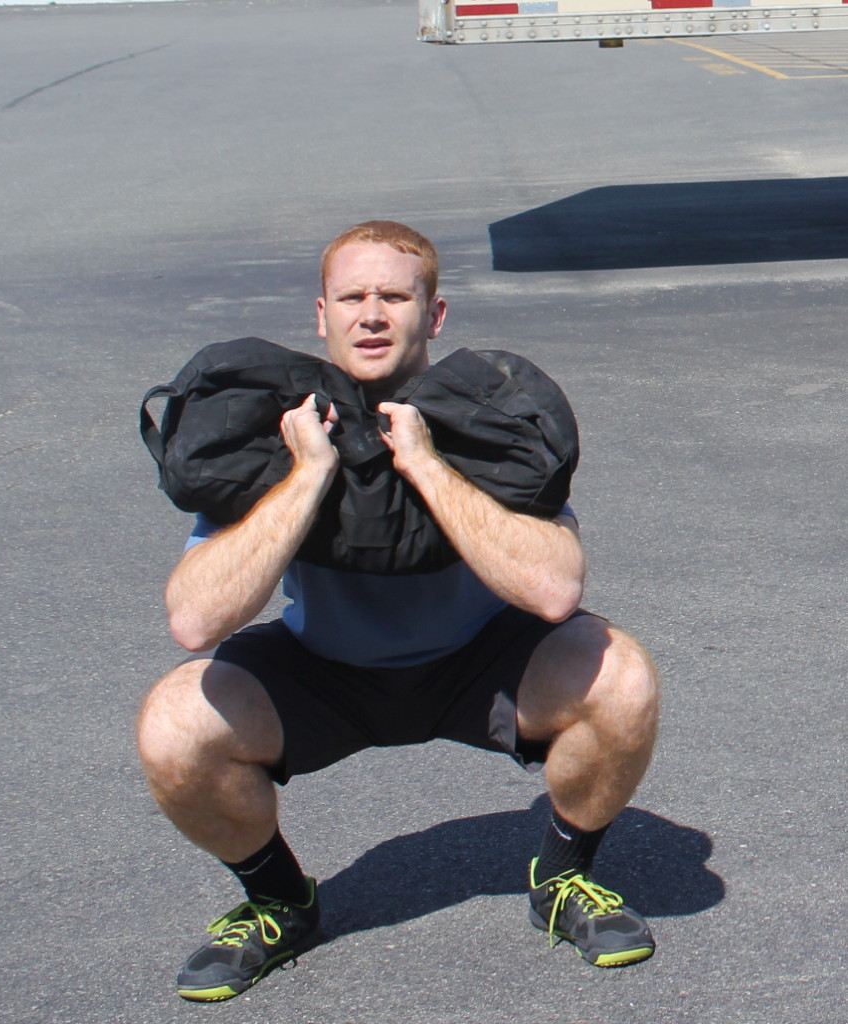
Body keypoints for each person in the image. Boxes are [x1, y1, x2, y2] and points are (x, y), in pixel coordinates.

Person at [137, 220, 660, 1003]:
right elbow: (194, 620)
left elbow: (556, 589)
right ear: (322, 315)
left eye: (394, 295)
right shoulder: (277, 432)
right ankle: (279, 900)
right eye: (353, 296)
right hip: (322, 672)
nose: (372, 313)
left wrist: (423, 461)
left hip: (477, 660)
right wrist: (309, 475)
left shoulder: (484, 419)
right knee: (173, 726)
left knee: (621, 677)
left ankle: (564, 879)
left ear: (435, 315)